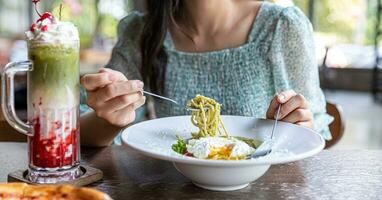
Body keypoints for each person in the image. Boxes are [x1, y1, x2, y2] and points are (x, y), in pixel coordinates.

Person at [80, 0, 333, 147]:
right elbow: (81, 128)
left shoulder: (282, 26)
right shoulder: (141, 31)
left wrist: (302, 126)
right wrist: (109, 115)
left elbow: (316, 129)